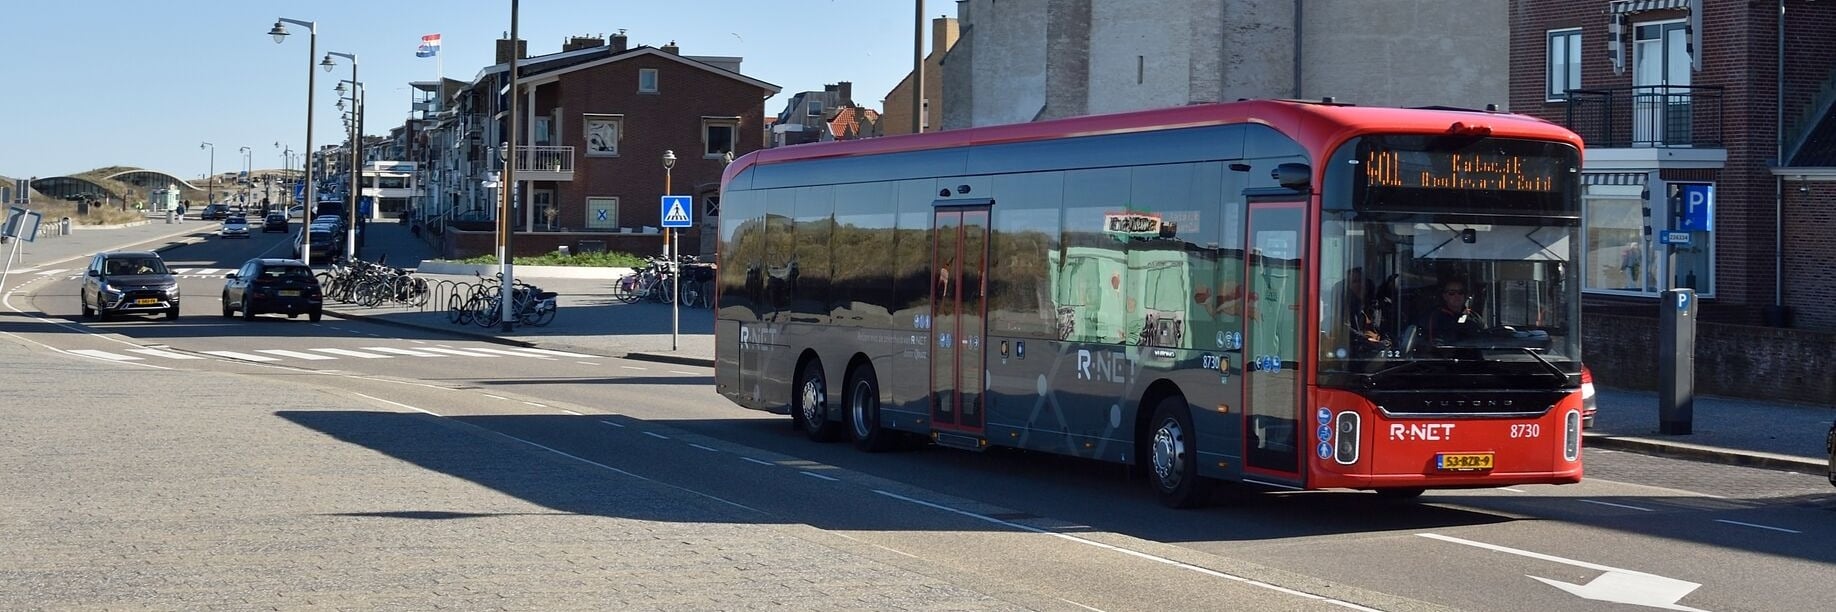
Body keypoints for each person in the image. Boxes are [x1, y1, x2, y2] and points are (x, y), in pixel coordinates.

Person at [1416, 278, 1483, 346]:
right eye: (1452, 293)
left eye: (1460, 292)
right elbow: (1433, 345)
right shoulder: (1434, 318)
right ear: (1444, 296)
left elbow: (1484, 339)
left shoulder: (1475, 317)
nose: (1457, 296)